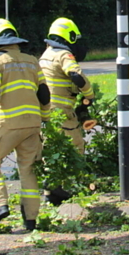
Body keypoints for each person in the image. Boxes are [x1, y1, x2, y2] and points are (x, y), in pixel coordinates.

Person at [0, 18, 50, 232]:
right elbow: (44, 93)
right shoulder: (32, 60)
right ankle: (31, 219)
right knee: (28, 169)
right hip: (33, 123)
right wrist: (45, 117)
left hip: (8, 122)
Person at [40, 17, 94, 154]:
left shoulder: (45, 55)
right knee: (76, 148)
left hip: (45, 111)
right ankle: (77, 175)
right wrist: (89, 95)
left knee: (50, 149)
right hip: (62, 112)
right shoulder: (64, 55)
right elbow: (76, 75)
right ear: (70, 36)